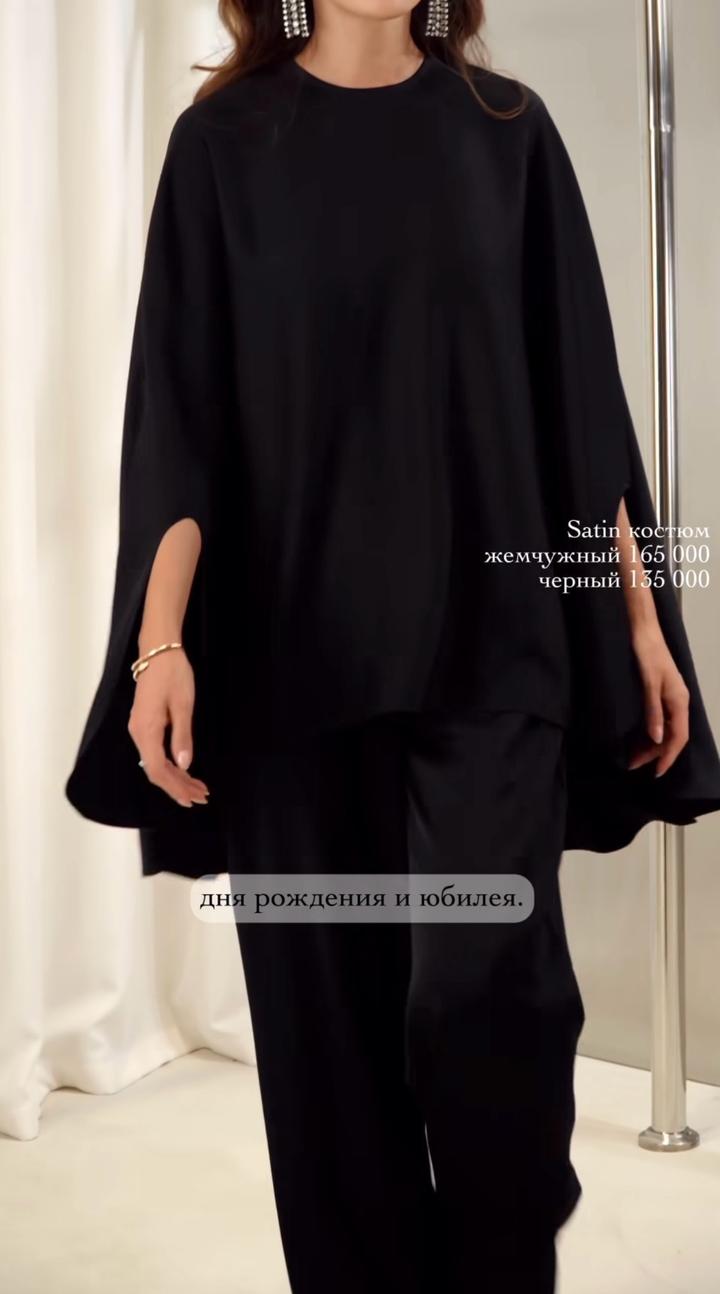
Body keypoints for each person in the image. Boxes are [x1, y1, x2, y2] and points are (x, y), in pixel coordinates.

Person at [65, 2, 720, 1291]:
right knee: (326, 1059)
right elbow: (178, 420)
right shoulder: (222, 146)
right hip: (287, 663)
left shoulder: (508, 133)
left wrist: (645, 622)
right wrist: (158, 648)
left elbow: (583, 404)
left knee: (492, 999)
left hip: (496, 650)